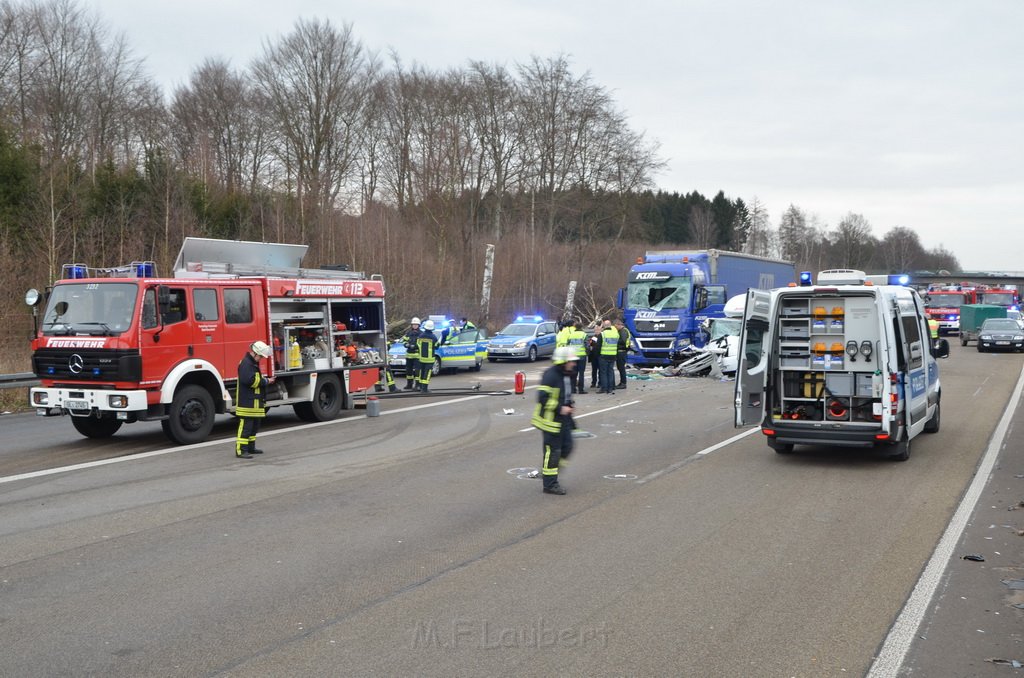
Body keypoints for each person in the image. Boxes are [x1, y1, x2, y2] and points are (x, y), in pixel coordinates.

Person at [532, 345, 578, 495]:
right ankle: (550, 484)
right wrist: (560, 408)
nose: (574, 363)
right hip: (550, 421)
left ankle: (550, 473)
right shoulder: (550, 375)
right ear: (563, 362)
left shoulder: (568, 374)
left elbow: (566, 394)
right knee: (553, 452)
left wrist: (569, 406)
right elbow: (542, 398)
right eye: (571, 361)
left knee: (568, 446)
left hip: (563, 419)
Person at [235, 340, 273, 459]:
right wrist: (266, 381)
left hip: (254, 404)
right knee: (246, 427)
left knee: (254, 427)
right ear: (255, 353)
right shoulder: (246, 364)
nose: (261, 358)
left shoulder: (252, 364)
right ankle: (241, 450)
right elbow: (249, 381)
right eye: (260, 356)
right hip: (247, 403)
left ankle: (250, 447)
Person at [595, 319, 619, 394]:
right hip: (613, 355)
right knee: (610, 371)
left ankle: (604, 388)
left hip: (604, 355)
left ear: (604, 326)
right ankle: (610, 388)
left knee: (603, 372)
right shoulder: (616, 334)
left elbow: (598, 346)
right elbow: (617, 345)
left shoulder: (602, 334)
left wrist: (597, 355)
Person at [416, 319, 437, 392]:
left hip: (421, 358)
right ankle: (424, 389)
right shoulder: (433, 337)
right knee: (427, 374)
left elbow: (417, 345)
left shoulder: (420, 336)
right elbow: (437, 346)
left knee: (422, 373)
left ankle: (421, 387)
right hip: (430, 359)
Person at [400, 317, 422, 390]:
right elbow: (404, 340)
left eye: (416, 325)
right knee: (408, 370)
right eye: (413, 324)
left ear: (419, 325)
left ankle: (417, 385)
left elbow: (422, 344)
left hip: (417, 355)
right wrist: (406, 344)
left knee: (417, 371)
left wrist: (415, 346)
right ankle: (409, 384)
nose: (414, 326)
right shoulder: (408, 333)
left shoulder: (421, 333)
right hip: (409, 355)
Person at [614, 318, 632, 389]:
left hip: (622, 351)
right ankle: (622, 382)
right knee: (620, 368)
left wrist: (615, 342)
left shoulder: (623, 331)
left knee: (621, 368)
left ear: (619, 325)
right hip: (621, 351)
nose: (615, 328)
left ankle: (623, 383)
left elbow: (623, 341)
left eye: (616, 326)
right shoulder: (622, 331)